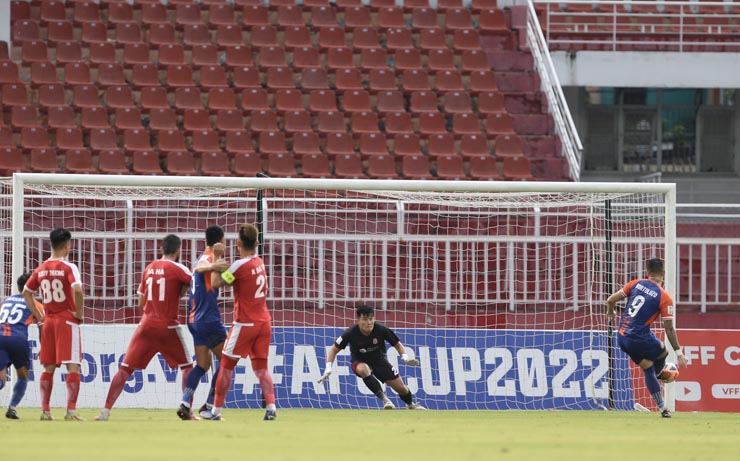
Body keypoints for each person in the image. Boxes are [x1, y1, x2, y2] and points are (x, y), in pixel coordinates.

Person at [95, 234, 194, 421]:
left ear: (161, 248)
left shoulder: (149, 268)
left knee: (124, 369)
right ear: (178, 250)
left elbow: (141, 300)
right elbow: (195, 284)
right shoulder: (179, 268)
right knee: (187, 367)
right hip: (168, 326)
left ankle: (105, 411)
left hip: (146, 324)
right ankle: (187, 410)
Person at [207, 224, 276, 421]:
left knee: (226, 365)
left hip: (245, 323)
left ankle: (215, 411)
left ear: (237, 244)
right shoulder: (259, 262)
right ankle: (271, 407)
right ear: (257, 243)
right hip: (264, 322)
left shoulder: (239, 266)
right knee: (261, 367)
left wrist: (216, 257)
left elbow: (215, 283)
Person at [607, 258, 689, 418]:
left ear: (647, 273)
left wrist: (611, 311)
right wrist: (679, 353)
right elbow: (669, 328)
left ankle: (662, 408)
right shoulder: (664, 297)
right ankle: (661, 373)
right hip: (638, 337)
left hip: (622, 337)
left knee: (647, 367)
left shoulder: (635, 283)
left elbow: (610, 300)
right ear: (664, 273)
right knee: (663, 352)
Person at [23, 227, 85, 421]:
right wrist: (80, 313)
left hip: (48, 321)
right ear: (67, 245)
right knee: (73, 365)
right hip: (67, 320)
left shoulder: (41, 269)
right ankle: (71, 411)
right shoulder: (69, 267)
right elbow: (78, 290)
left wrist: (40, 317)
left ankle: (45, 410)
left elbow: (26, 292)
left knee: (48, 367)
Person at [318, 305, 425, 410]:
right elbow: (333, 349)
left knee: (401, 388)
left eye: (371, 318)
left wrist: (405, 357)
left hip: (379, 360)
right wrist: (328, 368)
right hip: (359, 361)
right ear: (358, 320)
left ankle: (411, 404)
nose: (369, 322)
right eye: (365, 319)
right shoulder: (350, 333)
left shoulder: (381, 329)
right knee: (363, 369)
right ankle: (385, 400)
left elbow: (397, 344)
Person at [178, 225, 230, 421]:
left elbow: (221, 277)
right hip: (208, 319)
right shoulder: (208, 259)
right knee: (226, 361)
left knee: (203, 365)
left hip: (194, 319)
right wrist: (214, 265)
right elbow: (202, 269)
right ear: (220, 241)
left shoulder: (201, 257)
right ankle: (209, 407)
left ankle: (184, 402)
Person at [1, 273, 45, 419]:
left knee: (1, 380)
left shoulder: (6, 301)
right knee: (23, 376)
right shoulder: (35, 304)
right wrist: (43, 346)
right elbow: (41, 326)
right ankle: (12, 408)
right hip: (18, 339)